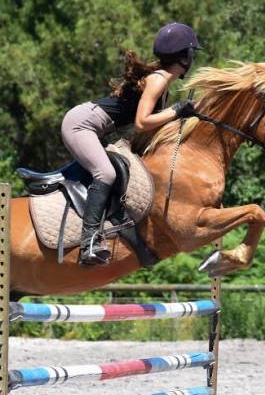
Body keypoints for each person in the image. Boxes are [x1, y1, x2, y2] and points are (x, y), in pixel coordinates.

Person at [61, 22, 201, 266]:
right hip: (81, 125)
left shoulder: (162, 84)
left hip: (95, 127)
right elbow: (141, 122)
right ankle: (89, 242)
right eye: (192, 53)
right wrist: (177, 110)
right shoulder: (158, 81)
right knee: (105, 173)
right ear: (184, 56)